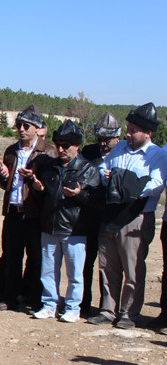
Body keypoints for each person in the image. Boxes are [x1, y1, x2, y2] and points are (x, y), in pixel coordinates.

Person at [88, 103, 163, 329]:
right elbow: (103, 168)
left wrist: (126, 186)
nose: (128, 133)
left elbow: (156, 184)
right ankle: (107, 310)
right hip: (111, 214)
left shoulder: (156, 155)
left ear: (147, 133)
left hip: (136, 216)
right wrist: (108, 176)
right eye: (128, 129)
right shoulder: (120, 147)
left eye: (133, 130)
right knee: (108, 265)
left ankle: (129, 313)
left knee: (133, 268)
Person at [30, 120, 100, 322]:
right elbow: (45, 197)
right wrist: (39, 190)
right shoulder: (50, 167)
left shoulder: (88, 169)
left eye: (65, 145)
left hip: (74, 229)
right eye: (58, 145)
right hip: (49, 225)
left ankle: (72, 307)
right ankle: (50, 305)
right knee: (49, 270)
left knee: (75, 273)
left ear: (76, 145)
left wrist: (79, 194)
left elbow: (94, 202)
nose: (61, 149)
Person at [0, 105, 57, 312]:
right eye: (18, 125)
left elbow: (51, 187)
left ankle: (31, 298)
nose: (21, 129)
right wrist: (3, 176)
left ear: (37, 128)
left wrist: (35, 181)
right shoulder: (11, 151)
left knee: (36, 258)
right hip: (13, 210)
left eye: (26, 125)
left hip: (35, 214)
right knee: (11, 256)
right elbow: (6, 184)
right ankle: (9, 297)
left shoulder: (48, 152)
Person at [78, 112, 120, 317]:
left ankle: (107, 306)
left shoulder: (122, 152)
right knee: (86, 263)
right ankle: (83, 303)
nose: (103, 143)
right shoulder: (88, 152)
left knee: (108, 264)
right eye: (100, 138)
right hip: (88, 216)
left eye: (108, 139)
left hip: (111, 216)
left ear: (117, 137)